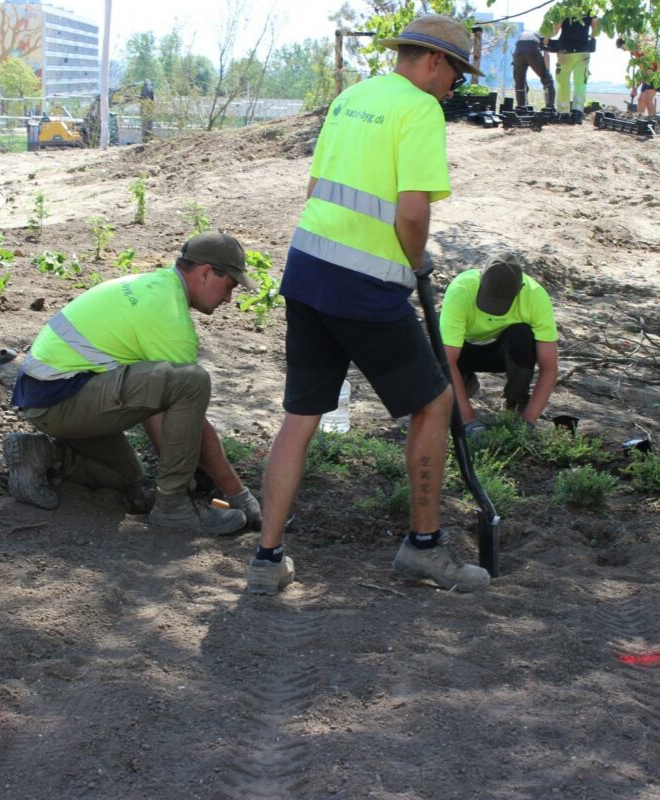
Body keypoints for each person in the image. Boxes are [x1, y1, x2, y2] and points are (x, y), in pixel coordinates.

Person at [246, 14, 491, 596]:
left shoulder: (352, 97)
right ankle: (424, 547)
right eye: (456, 73)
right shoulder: (420, 108)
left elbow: (314, 189)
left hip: (306, 268)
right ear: (433, 61)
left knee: (301, 416)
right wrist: (415, 261)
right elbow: (412, 213)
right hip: (363, 284)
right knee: (434, 404)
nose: (455, 87)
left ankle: (266, 558)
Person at [3, 231, 263, 537]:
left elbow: (157, 405)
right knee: (192, 381)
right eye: (229, 286)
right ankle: (174, 508)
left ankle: (43, 455)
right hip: (63, 398)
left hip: (48, 398)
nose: (229, 298)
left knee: (131, 481)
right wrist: (237, 494)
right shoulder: (167, 314)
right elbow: (182, 402)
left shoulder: (154, 286)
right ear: (206, 272)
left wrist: (186, 471)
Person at [439, 254, 559, 437]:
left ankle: (516, 403)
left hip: (502, 353)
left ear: (520, 289)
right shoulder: (461, 289)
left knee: (523, 334)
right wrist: (469, 421)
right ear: (480, 279)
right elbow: (447, 360)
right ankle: (466, 382)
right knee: (435, 359)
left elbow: (549, 367)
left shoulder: (535, 296)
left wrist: (529, 421)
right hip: (464, 352)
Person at [550, 14, 599, 113]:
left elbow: (555, 31)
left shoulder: (563, 8)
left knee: (563, 82)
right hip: (582, 52)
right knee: (580, 83)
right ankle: (577, 111)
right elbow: (596, 29)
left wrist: (546, 37)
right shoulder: (589, 8)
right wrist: (591, 36)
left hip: (565, 51)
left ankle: (562, 112)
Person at [616, 36, 660, 117]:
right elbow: (643, 71)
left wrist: (635, 88)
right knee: (640, 100)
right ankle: (639, 119)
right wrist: (635, 88)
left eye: (622, 47)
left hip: (657, 73)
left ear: (627, 43)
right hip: (648, 75)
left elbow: (644, 70)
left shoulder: (640, 49)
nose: (623, 50)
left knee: (647, 100)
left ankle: (653, 121)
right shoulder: (634, 52)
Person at [512, 29, 555, 110]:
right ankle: (550, 108)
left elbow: (517, 50)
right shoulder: (543, 36)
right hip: (532, 49)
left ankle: (521, 107)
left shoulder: (524, 33)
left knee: (520, 82)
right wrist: (547, 72)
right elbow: (546, 53)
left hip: (518, 53)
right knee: (548, 80)